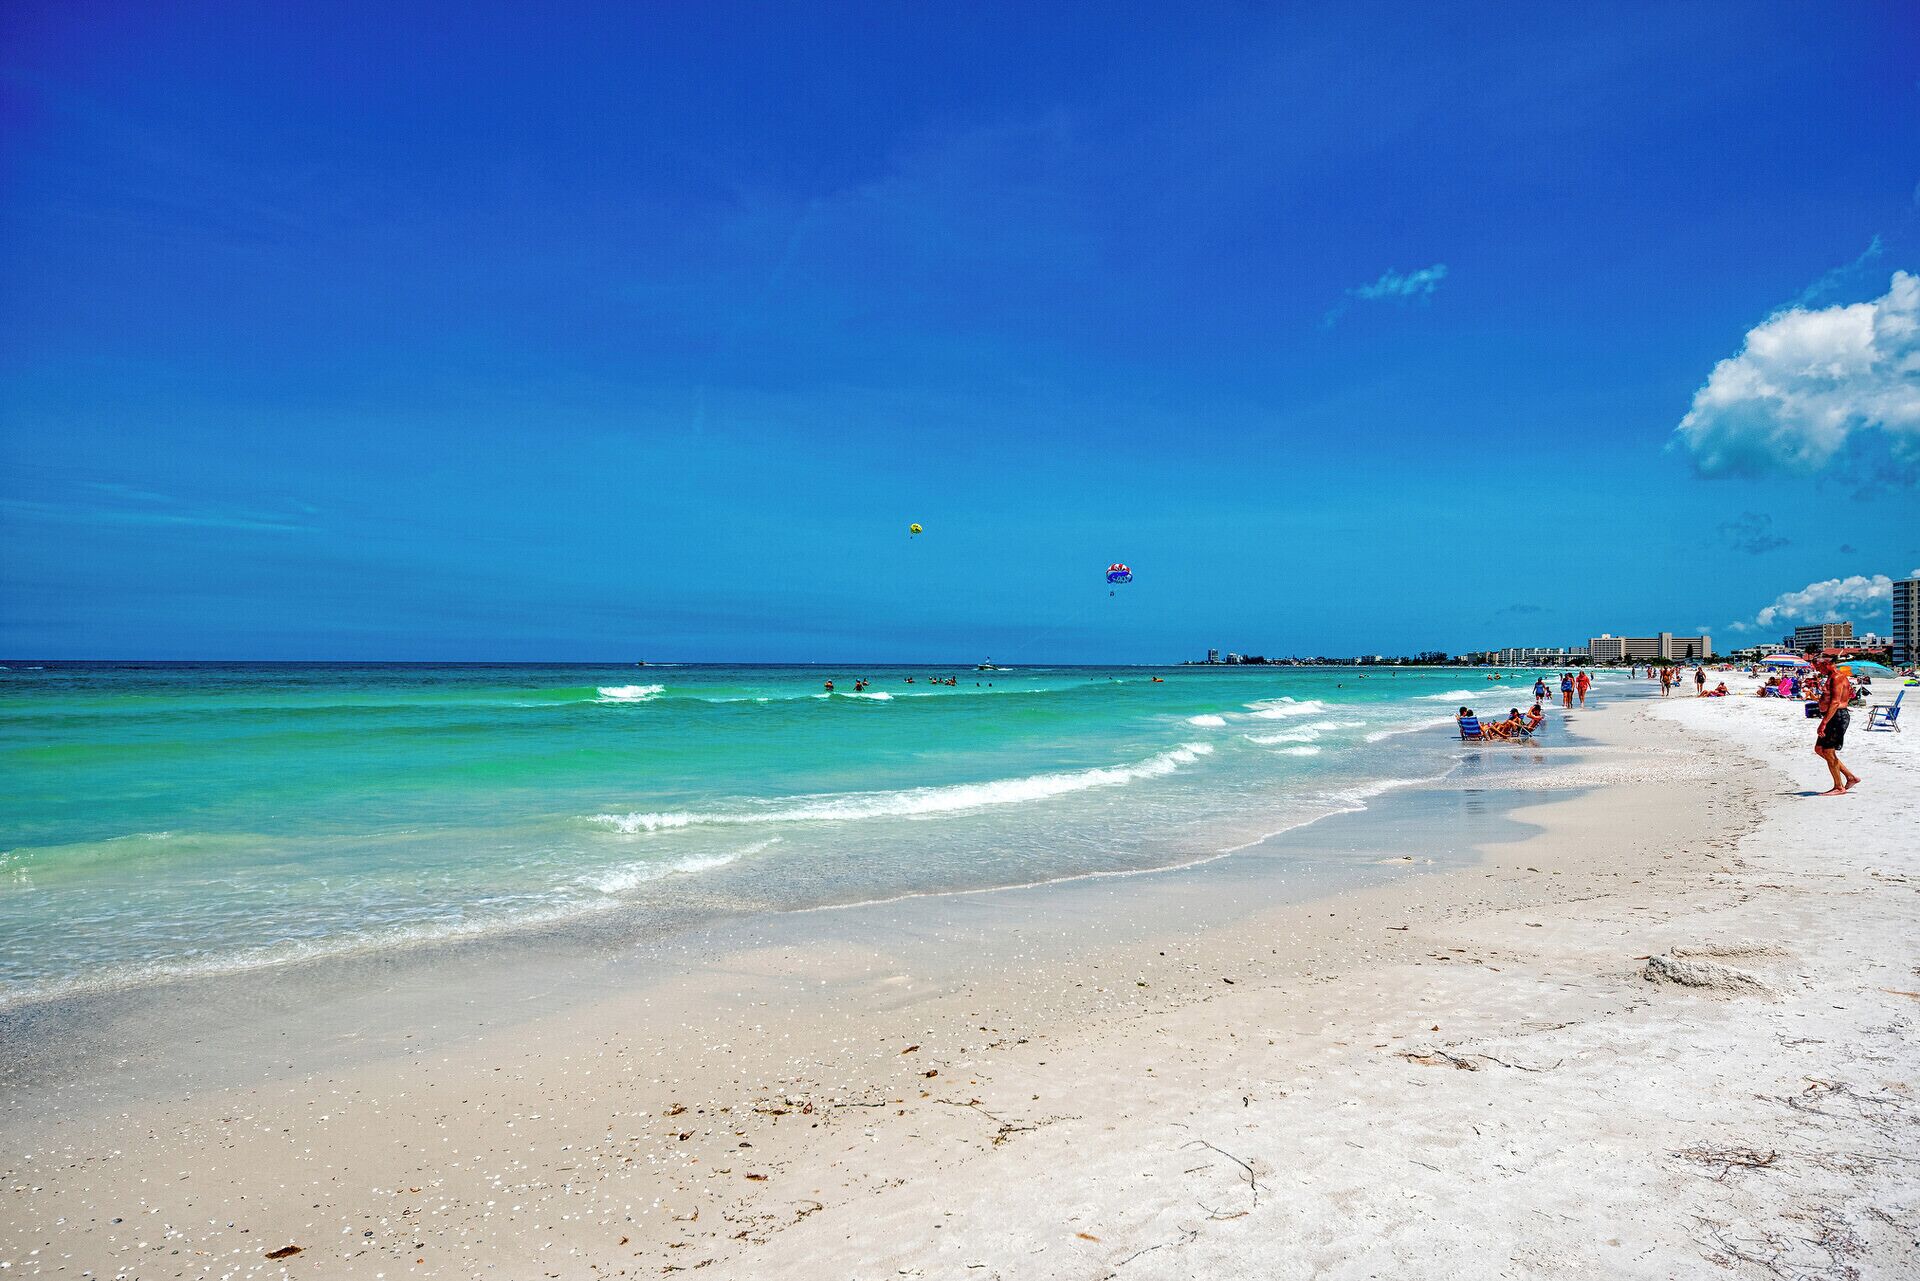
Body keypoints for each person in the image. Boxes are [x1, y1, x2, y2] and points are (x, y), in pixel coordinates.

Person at [1811, 657, 1860, 796]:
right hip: (1833, 716)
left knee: (1828, 751)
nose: (1818, 671)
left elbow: (1835, 702)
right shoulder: (1831, 677)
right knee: (1819, 749)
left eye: (1819, 667)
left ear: (1826, 664)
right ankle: (1850, 777)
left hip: (1837, 717)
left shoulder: (1837, 677)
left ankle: (1839, 787)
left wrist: (1824, 723)